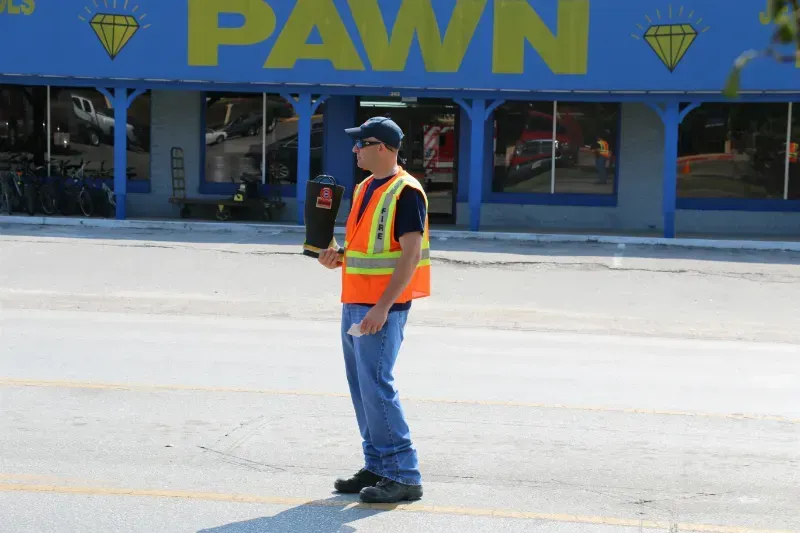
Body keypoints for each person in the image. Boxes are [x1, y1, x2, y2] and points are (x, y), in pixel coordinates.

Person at [317, 116, 430, 504]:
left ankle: (404, 475)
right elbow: (368, 247)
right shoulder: (367, 186)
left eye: (360, 143)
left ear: (382, 146)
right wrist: (339, 257)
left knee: (377, 386)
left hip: (382, 308)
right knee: (363, 388)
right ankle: (378, 465)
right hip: (356, 302)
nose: (354, 150)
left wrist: (383, 307)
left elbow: (410, 254)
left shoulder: (406, 191)